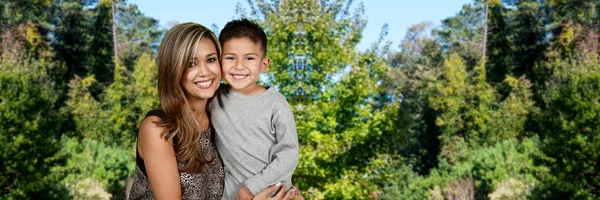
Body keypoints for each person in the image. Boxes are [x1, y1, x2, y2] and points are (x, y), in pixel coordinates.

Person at [128, 22, 300, 200]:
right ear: (174, 69)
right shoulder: (158, 128)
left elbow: (279, 154)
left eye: (211, 60)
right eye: (191, 63)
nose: (205, 72)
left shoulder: (217, 110)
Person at [209, 18, 300, 200]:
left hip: (275, 194)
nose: (239, 65)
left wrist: (252, 187)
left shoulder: (275, 103)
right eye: (230, 58)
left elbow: (289, 154)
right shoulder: (213, 97)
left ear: (264, 64)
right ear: (219, 62)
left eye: (249, 58)